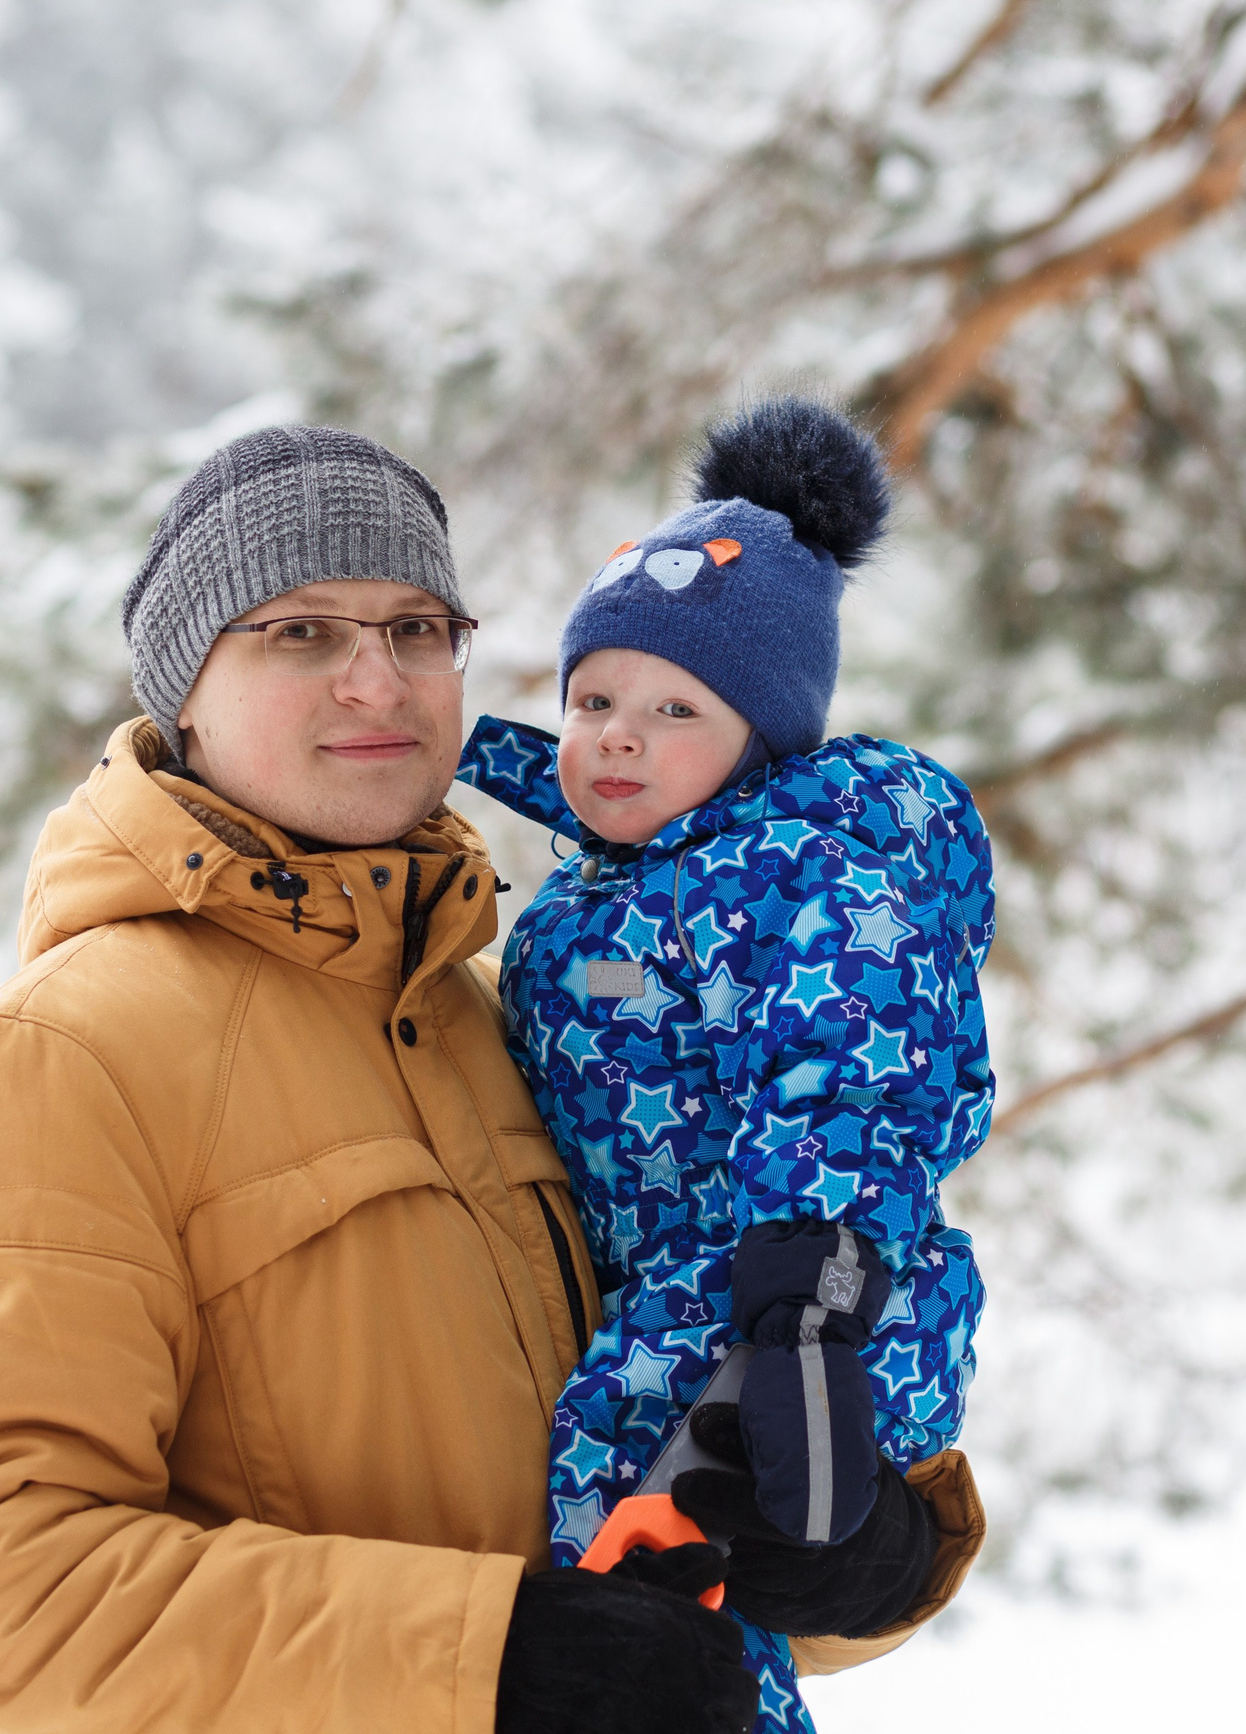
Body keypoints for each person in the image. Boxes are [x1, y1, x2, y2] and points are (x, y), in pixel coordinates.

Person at [0, 424, 986, 1734]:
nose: (376, 681)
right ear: (186, 688)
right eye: (301, 632)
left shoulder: (495, 1021)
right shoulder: (69, 1052)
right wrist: (486, 1666)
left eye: (416, 629)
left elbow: (658, 1450)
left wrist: (859, 1551)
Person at [454, 400, 995, 1734]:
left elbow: (851, 1078)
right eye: (591, 698)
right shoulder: (622, 880)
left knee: (644, 1567)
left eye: (672, 707)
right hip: (675, 1286)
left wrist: (803, 1311)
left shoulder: (797, 871)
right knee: (657, 1594)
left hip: (764, 1292)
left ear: (764, 735)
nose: (616, 733)